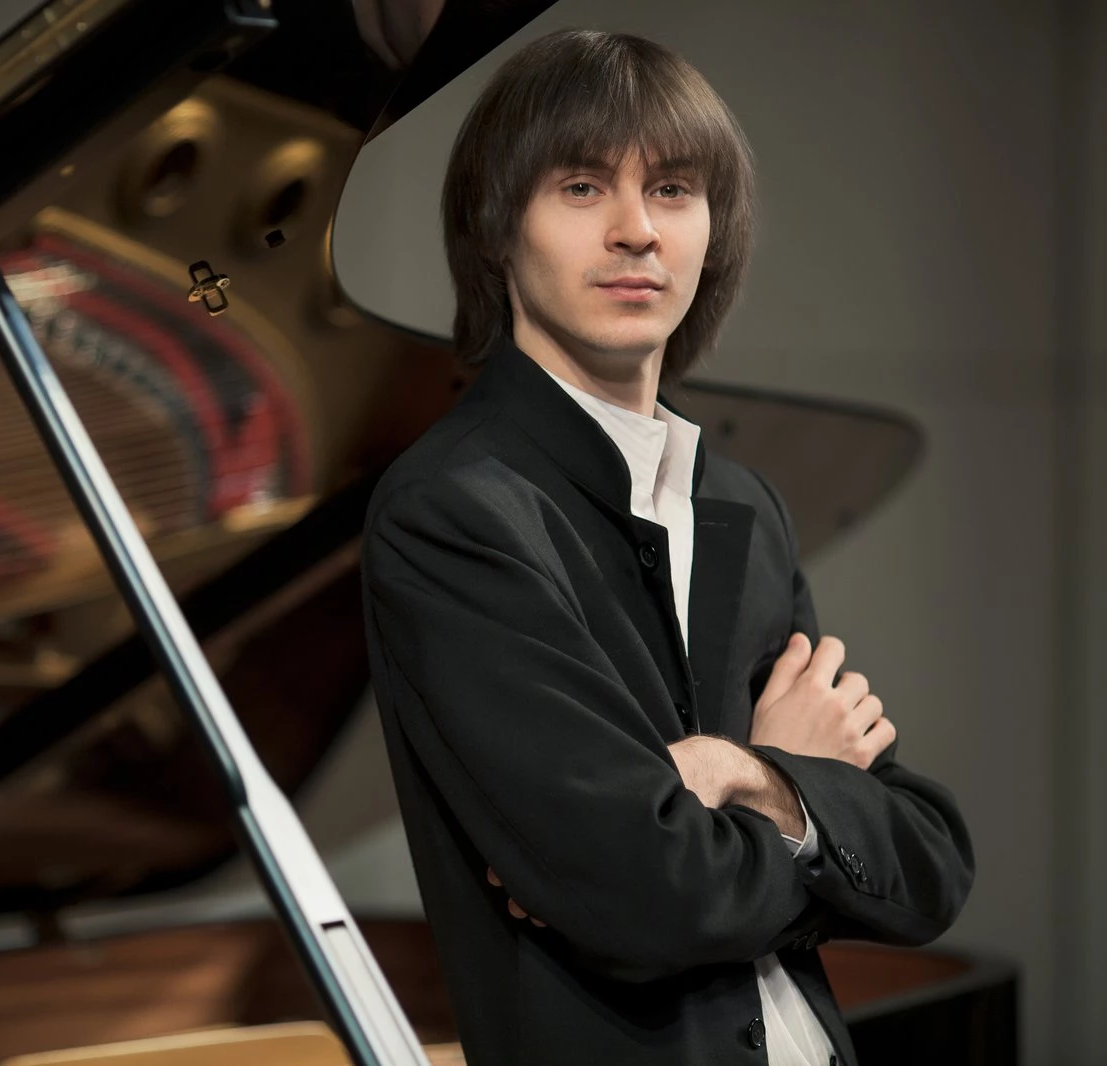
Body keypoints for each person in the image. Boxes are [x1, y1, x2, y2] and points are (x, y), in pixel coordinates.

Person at [359, 28, 975, 1066]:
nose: (637, 230)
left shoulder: (739, 502)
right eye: (582, 187)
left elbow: (928, 863)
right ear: (497, 227)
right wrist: (806, 805)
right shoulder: (453, 511)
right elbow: (651, 898)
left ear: (712, 232)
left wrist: (747, 772)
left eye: (674, 190)